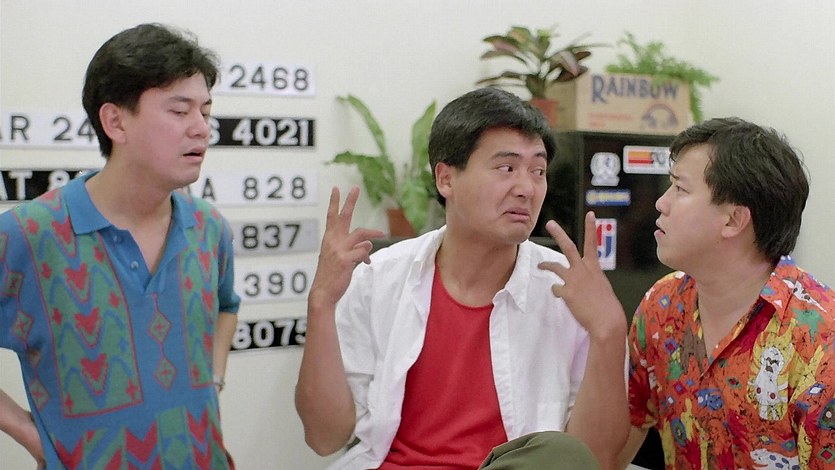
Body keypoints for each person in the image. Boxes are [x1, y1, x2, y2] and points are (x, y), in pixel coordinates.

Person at [296, 87, 629, 470]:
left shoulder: (568, 291)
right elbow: (324, 439)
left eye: (538, 171)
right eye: (506, 168)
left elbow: (593, 459)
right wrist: (321, 304)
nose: (526, 188)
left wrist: (608, 331)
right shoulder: (381, 278)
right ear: (446, 179)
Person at [0, 23, 240, 469]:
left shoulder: (209, 228)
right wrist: (34, 438)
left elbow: (227, 305)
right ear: (115, 121)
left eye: (206, 111)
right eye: (180, 111)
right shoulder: (29, 234)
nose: (202, 129)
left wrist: (213, 378)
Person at [617, 117, 835, 469]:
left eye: (679, 189)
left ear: (733, 220)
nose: (661, 203)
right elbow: (625, 433)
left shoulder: (819, 340)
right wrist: (603, 332)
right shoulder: (662, 304)